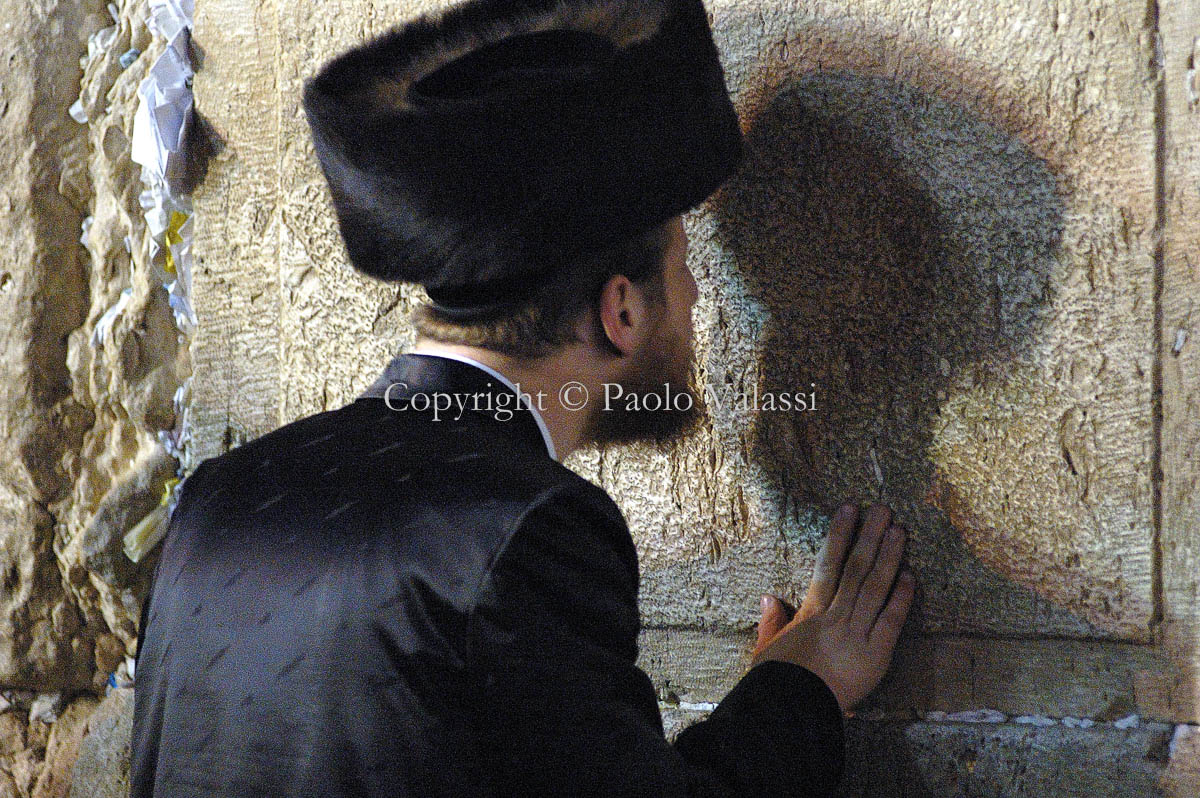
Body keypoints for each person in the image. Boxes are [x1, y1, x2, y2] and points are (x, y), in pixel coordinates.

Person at [130, 0, 915, 795]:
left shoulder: (217, 503)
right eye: (684, 269)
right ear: (623, 310)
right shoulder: (526, 532)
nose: (695, 301)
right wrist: (804, 688)